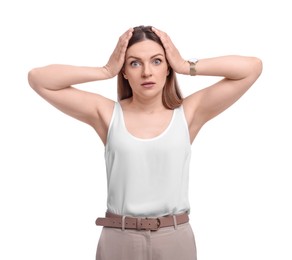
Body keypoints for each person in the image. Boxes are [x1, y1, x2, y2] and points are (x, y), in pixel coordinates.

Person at [28, 25, 262, 260]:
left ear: (167, 68)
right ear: (125, 71)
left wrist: (184, 65)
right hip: (118, 238)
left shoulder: (188, 113)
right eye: (135, 63)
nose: (147, 72)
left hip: (174, 237)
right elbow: (39, 79)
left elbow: (252, 67)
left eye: (157, 61)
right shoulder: (108, 114)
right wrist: (106, 70)